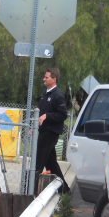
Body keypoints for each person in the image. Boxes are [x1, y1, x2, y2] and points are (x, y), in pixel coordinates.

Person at [34, 67, 70, 195]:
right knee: (51, 164)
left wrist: (48, 116)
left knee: (38, 162)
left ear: (54, 79)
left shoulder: (57, 95)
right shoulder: (46, 94)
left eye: (47, 77)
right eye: (44, 77)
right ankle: (64, 190)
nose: (44, 79)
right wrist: (35, 127)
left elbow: (62, 115)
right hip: (43, 131)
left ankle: (31, 191)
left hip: (50, 133)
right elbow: (41, 114)